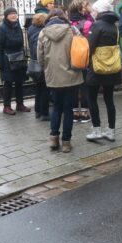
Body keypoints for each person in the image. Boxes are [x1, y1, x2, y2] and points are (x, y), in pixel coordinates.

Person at [37, 9, 83, 152]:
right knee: (68, 110)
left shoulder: (43, 33)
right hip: (72, 75)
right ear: (64, 16)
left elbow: (40, 57)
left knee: (57, 107)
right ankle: (66, 142)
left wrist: (47, 69)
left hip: (53, 76)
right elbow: (81, 50)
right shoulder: (73, 30)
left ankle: (53, 138)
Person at [85, 0, 121, 142]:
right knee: (109, 99)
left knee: (92, 98)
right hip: (111, 67)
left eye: (94, 10)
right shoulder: (114, 26)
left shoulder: (97, 26)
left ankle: (96, 130)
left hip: (97, 67)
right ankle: (111, 131)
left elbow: (90, 47)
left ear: (99, 11)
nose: (93, 12)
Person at [0, 7, 31, 115]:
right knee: (8, 84)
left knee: (20, 82)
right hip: (7, 60)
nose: (14, 15)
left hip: (19, 58)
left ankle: (20, 104)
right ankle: (6, 106)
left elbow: (21, 43)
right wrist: (0, 62)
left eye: (15, 13)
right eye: (11, 14)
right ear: (6, 16)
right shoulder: (1, 29)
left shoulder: (18, 27)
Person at [68, 0, 92, 123]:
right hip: (83, 59)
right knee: (84, 86)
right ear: (79, 10)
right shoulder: (87, 23)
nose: (85, 9)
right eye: (83, 8)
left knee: (72, 86)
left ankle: (74, 113)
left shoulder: (66, 24)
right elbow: (90, 43)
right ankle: (84, 113)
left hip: (69, 59)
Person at [28, 13, 50, 121]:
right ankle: (44, 113)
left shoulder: (31, 29)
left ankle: (37, 111)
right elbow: (40, 50)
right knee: (44, 89)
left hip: (33, 63)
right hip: (40, 64)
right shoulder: (41, 32)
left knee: (38, 89)